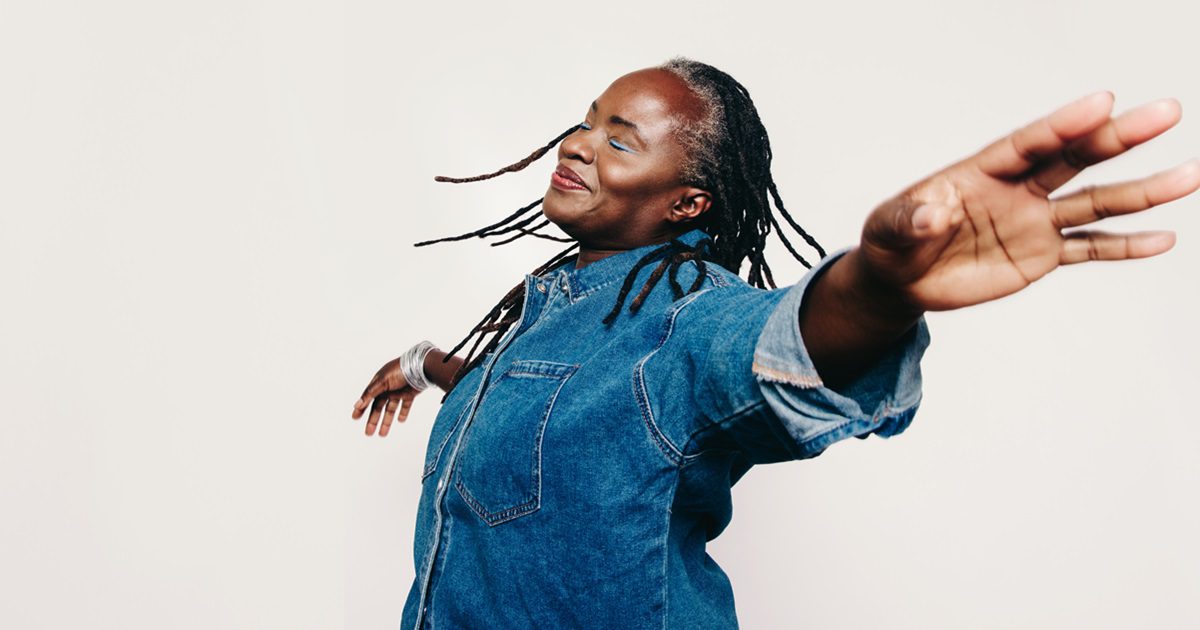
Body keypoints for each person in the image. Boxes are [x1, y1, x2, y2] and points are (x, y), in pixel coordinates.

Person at [350, 57, 1198, 629]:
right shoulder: (560, 307)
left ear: (687, 203)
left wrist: (878, 287)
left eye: (620, 140)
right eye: (588, 122)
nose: (578, 144)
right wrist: (428, 366)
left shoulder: (686, 318)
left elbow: (769, 349)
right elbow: (555, 403)